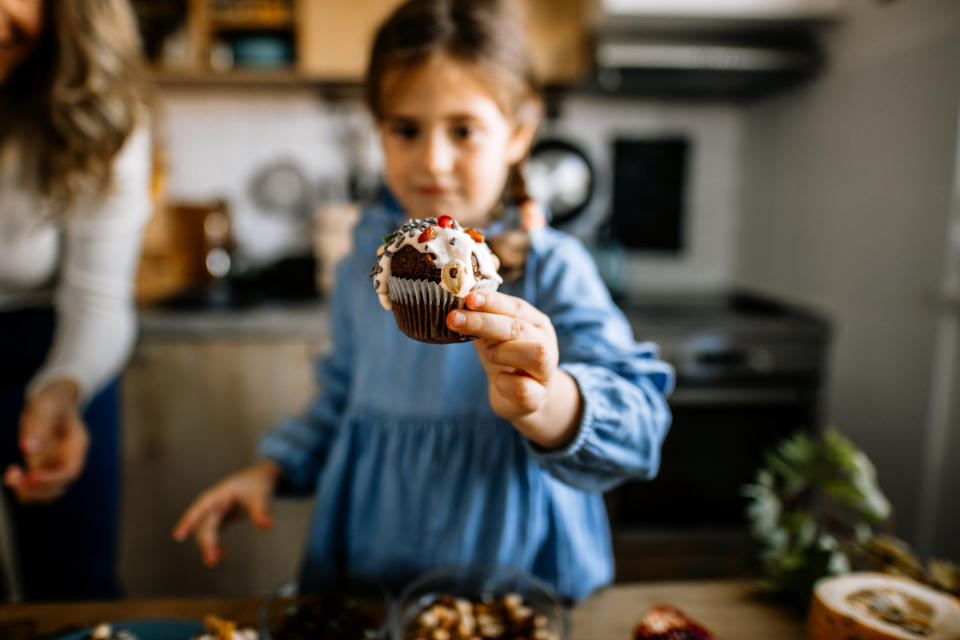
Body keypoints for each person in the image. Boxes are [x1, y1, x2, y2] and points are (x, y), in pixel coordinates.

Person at [174, 0, 674, 602]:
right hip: (373, 572)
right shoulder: (368, 263)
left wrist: (546, 402)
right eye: (405, 129)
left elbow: (641, 430)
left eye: (463, 130)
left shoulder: (552, 267)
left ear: (518, 133)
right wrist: (269, 471)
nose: (433, 160)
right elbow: (339, 402)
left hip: (508, 578)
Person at [0, 0, 152, 600]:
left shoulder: (98, 114)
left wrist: (63, 388)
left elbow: (99, 300)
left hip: (56, 351)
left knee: (73, 591)